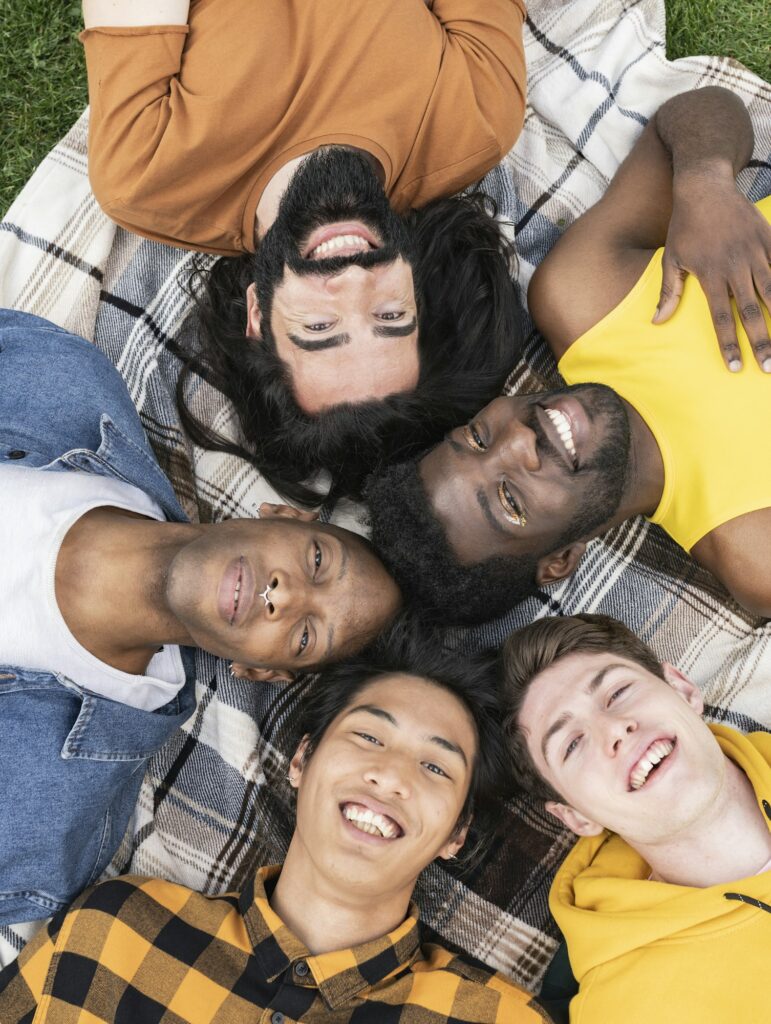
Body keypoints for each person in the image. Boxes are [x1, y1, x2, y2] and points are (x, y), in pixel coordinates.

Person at [0, 308, 401, 925]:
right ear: (283, 517)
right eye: (316, 561)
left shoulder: (51, 818)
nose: (285, 596)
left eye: (302, 634)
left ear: (260, 670)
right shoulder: (63, 385)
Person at [80, 0, 527, 503]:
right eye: (390, 314)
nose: (355, 279)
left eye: (319, 328)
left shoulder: (146, 175)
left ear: (256, 313)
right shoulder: (481, 118)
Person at [365, 87, 771, 624]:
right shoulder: (754, 550)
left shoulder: (583, 300)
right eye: (511, 500)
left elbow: (695, 113)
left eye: (477, 437)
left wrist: (706, 185)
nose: (518, 440)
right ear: (561, 559)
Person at [0, 628, 551, 1023]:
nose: (390, 775)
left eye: (435, 767)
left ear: (457, 834)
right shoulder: (114, 929)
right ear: (301, 761)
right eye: (368, 737)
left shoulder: (498, 1017)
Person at [499, 613, 771, 1024]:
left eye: (617, 693)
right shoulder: (624, 1011)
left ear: (682, 689)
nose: (615, 730)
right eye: (572, 744)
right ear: (575, 816)